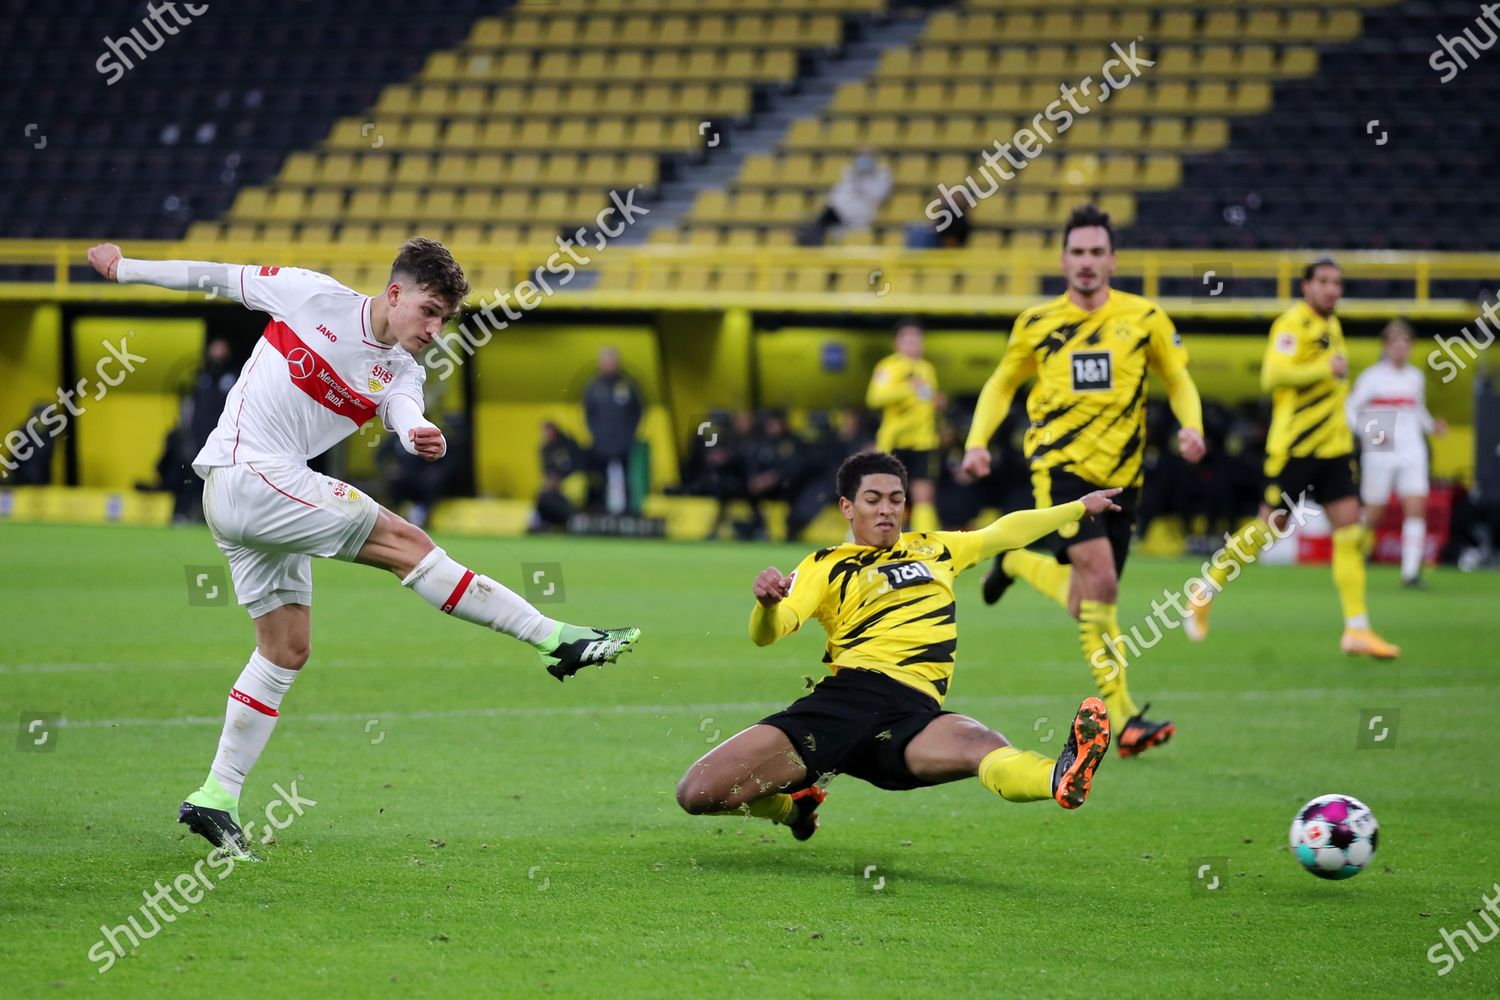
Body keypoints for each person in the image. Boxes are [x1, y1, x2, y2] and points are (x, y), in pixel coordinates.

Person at [86, 237, 642, 860]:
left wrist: (418, 432)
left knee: (286, 649)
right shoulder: (309, 294)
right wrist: (125, 267)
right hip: (248, 473)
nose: (435, 329)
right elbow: (214, 277)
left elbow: (405, 411)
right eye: (429, 311)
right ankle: (550, 637)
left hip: (260, 498)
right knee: (408, 544)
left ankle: (216, 795)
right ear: (395, 292)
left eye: (446, 320)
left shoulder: (402, 368)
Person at [675, 450, 1119, 839]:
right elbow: (768, 633)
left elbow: (1005, 533)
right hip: (845, 702)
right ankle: (795, 808)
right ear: (847, 507)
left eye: (896, 499)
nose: (887, 510)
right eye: (873, 500)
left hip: (913, 712)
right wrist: (767, 606)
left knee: (980, 744)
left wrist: (1077, 508)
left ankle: (1058, 775)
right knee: (697, 792)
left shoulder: (936, 549)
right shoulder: (824, 564)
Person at [960, 204, 1206, 758]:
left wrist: (1192, 427)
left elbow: (1179, 378)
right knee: (1102, 584)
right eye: (1078, 252)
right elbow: (1002, 385)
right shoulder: (1038, 324)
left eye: (1097, 251)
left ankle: (1017, 562)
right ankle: (1124, 720)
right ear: (1063, 259)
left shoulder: (1145, 318)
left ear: (1113, 260)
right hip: (1060, 472)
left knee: (1085, 601)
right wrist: (977, 441)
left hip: (1124, 479)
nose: (1087, 261)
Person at [1184, 258, 1401, 658]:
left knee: (1350, 533)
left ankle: (1356, 629)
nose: (1332, 289)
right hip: (1295, 449)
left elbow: (1333, 389)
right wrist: (1323, 368)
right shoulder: (1291, 324)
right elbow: (1273, 376)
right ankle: (1206, 587)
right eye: (1323, 281)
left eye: (1337, 282)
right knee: (1268, 530)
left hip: (1333, 450)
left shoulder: (1331, 327)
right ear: (1306, 286)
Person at [1346, 319, 1446, 588]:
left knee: (1416, 508)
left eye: (1405, 343)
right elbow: (1349, 410)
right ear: (1386, 347)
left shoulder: (1415, 377)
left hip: (1412, 451)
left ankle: (1410, 573)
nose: (1401, 348)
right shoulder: (1372, 377)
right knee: (1374, 514)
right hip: (1380, 452)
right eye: (1396, 343)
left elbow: (1418, 411)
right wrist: (1372, 433)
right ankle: (1354, 555)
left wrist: (1431, 426)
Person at [866, 318, 944, 533]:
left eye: (917, 338)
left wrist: (935, 400)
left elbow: (927, 397)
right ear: (896, 343)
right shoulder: (889, 367)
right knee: (883, 495)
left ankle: (923, 546)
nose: (913, 343)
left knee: (924, 496)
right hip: (894, 441)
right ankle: (870, 540)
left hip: (923, 441)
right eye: (907, 338)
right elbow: (875, 397)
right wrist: (908, 388)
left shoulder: (927, 369)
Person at [582, 346, 642, 515]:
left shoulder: (628, 385)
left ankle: (628, 511)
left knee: (627, 476)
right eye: (606, 362)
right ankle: (599, 510)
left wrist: (630, 434)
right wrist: (596, 434)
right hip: (601, 442)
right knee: (599, 478)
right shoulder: (594, 386)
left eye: (612, 361)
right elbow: (588, 413)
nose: (609, 365)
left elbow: (637, 411)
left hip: (623, 442)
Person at [799, 148, 892, 246]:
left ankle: (809, 243)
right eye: (861, 156)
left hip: (859, 213)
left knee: (821, 224)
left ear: (874, 159)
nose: (863, 160)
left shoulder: (881, 175)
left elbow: (879, 194)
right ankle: (808, 244)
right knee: (819, 225)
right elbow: (838, 193)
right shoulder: (850, 173)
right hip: (840, 209)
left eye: (867, 156)